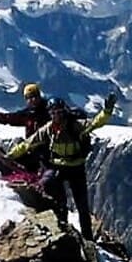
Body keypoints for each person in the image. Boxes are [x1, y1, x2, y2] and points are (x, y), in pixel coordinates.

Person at [8, 94, 117, 242]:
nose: (57, 115)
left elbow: (96, 123)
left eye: (59, 112)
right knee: (60, 202)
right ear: (50, 114)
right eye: (53, 113)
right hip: (62, 167)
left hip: (75, 169)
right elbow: (27, 144)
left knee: (82, 206)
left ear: (64, 111)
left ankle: (87, 239)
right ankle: (64, 230)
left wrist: (107, 111)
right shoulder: (48, 130)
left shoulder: (75, 126)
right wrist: (11, 155)